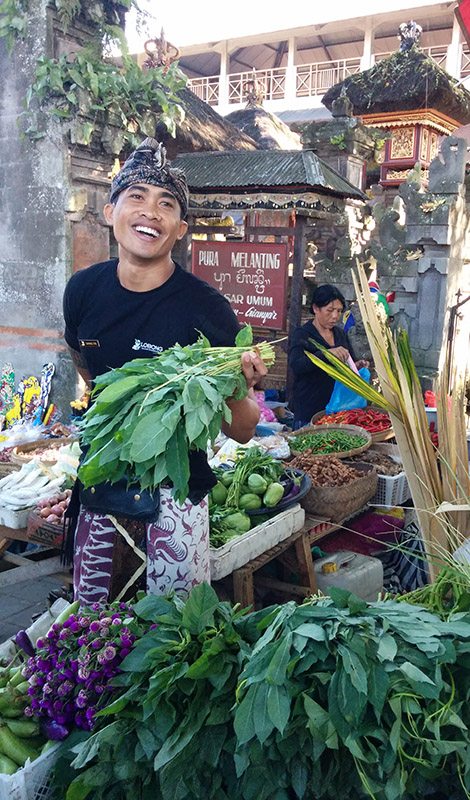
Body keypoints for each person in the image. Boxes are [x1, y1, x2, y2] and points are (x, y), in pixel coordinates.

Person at [62, 137, 266, 604]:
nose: (150, 212)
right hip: (100, 482)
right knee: (93, 631)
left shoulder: (207, 309)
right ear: (110, 211)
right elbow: (84, 363)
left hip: (176, 493)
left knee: (173, 637)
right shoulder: (83, 291)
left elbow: (243, 430)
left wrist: (237, 383)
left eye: (166, 204)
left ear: (181, 229)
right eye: (136, 197)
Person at [288, 284, 368, 429]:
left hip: (338, 412)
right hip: (309, 411)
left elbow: (349, 361)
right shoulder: (303, 335)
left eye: (338, 311)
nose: (335, 316)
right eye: (330, 310)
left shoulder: (340, 334)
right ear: (315, 309)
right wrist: (326, 354)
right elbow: (297, 365)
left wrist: (356, 366)